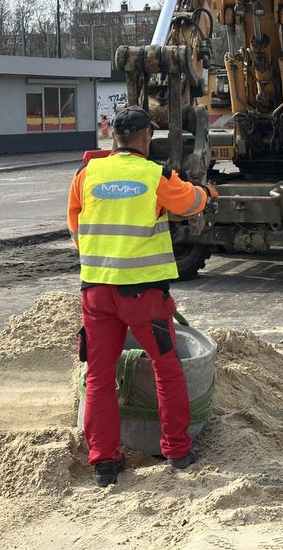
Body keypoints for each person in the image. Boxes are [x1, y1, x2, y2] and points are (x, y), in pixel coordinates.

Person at [67, 105, 218, 487]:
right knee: (166, 370)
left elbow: (76, 228)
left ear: (113, 136)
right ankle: (177, 451)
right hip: (144, 297)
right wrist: (208, 192)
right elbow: (190, 203)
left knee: (99, 377)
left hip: (97, 293)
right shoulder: (155, 176)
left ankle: (104, 462)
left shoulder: (86, 174)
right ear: (146, 137)